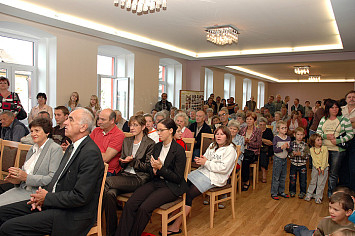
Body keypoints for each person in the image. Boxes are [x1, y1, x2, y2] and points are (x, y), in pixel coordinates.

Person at [0, 108, 104, 235]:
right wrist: (41, 198)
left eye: (70, 120)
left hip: (72, 214)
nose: (65, 123)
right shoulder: (72, 147)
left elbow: (80, 197)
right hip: (56, 202)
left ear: (83, 127)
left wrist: (47, 198)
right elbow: (56, 180)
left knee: (9, 228)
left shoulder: (90, 153)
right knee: (2, 213)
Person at [116, 118, 188, 236]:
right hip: (155, 181)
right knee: (131, 204)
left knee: (144, 208)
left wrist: (160, 169)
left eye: (161, 130)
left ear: (170, 130)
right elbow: (149, 168)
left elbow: (178, 178)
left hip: (171, 186)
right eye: (157, 130)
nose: (158, 133)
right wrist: (153, 170)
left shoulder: (179, 150)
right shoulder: (157, 146)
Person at [166, 125, 237, 234]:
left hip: (216, 177)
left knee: (189, 194)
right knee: (181, 185)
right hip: (203, 172)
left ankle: (176, 225)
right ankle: (173, 216)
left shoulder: (230, 150)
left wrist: (206, 163)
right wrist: (202, 160)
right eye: (217, 134)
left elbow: (223, 169)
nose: (218, 136)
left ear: (227, 137)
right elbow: (206, 158)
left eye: (222, 134)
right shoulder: (213, 145)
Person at [103, 115, 155, 236]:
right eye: (131, 125)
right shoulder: (127, 141)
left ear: (143, 127)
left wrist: (132, 162)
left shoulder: (150, 143)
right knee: (109, 194)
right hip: (125, 175)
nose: (132, 127)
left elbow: (148, 168)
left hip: (139, 178)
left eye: (135, 125)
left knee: (105, 182)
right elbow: (122, 163)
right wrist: (123, 161)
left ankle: (93, 217)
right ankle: (112, 232)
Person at [0, 118, 62, 206]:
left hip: (36, 194)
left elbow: (52, 178)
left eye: (37, 131)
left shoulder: (55, 149)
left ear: (47, 132)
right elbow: (25, 172)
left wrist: (26, 178)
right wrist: (16, 178)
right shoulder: (32, 148)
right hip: (22, 189)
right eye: (32, 131)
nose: (33, 134)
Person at [317, 99, 354, 197]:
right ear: (328, 109)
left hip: (337, 151)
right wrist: (325, 136)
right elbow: (318, 132)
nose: (334, 109)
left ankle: (331, 193)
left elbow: (350, 134)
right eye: (332, 107)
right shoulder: (324, 119)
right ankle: (318, 193)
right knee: (322, 171)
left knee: (333, 173)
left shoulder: (344, 119)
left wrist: (338, 141)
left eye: (336, 107)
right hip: (324, 149)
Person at [284, 192, 355, 236]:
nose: (331, 211)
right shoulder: (324, 222)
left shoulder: (352, 229)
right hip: (315, 234)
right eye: (330, 207)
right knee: (303, 233)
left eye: (336, 210)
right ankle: (296, 228)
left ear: (348, 212)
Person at [90, 108, 125, 176]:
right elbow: (85, 148)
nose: (99, 122)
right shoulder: (96, 131)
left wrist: (89, 153)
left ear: (112, 121)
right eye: (99, 118)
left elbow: (105, 158)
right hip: (92, 166)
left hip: (107, 170)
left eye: (103, 119)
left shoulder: (119, 135)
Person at [239, 112, 262, 191]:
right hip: (242, 151)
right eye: (247, 119)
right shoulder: (242, 130)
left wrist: (249, 142)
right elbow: (238, 140)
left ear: (254, 121)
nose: (249, 121)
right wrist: (243, 141)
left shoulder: (258, 131)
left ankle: (246, 181)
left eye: (251, 119)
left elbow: (258, 145)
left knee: (245, 161)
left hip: (252, 152)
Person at [304, 133, 329, 203]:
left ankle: (318, 197)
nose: (320, 141)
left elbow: (325, 158)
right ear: (313, 142)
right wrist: (318, 167)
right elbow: (314, 160)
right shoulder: (312, 150)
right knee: (313, 181)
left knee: (321, 183)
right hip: (315, 168)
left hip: (324, 168)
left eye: (320, 139)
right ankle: (309, 194)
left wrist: (322, 168)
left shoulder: (324, 148)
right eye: (318, 140)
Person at [271, 121, 291, 200]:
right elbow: (275, 150)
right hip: (277, 159)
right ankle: (274, 192)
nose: (285, 129)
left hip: (284, 159)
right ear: (278, 129)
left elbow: (290, 150)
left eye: (285, 127)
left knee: (283, 176)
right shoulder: (276, 138)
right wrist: (281, 148)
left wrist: (289, 148)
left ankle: (281, 191)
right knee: (276, 176)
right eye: (282, 128)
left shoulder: (288, 138)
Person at [288, 127, 309, 199]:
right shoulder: (291, 144)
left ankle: (302, 192)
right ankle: (292, 191)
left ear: (304, 135)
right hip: (293, 164)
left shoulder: (305, 145)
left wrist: (301, 154)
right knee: (292, 179)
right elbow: (289, 154)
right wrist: (293, 154)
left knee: (303, 180)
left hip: (302, 165)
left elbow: (307, 155)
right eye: (298, 134)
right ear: (294, 135)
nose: (299, 136)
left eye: (301, 135)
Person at [258, 117, 274, 183]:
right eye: (260, 124)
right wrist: (264, 140)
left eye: (264, 124)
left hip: (266, 149)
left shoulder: (268, 131)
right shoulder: (256, 130)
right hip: (257, 147)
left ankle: (264, 172)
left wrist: (261, 140)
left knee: (263, 154)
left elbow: (270, 142)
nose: (262, 126)